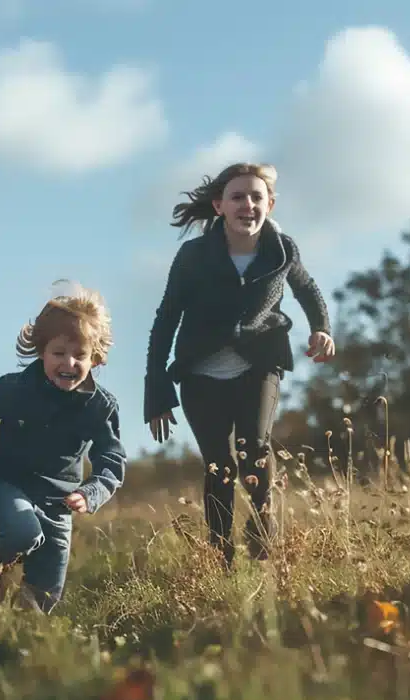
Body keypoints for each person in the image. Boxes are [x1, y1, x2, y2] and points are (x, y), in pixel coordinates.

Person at [143, 162, 336, 568]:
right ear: (219, 206)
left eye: (256, 197)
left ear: (270, 204)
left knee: (255, 451)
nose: (247, 204)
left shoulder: (282, 249)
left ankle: (263, 537)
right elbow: (166, 319)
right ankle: (220, 555)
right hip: (200, 373)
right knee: (219, 465)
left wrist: (321, 328)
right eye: (237, 197)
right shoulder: (194, 256)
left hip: (259, 363)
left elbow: (308, 290)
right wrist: (156, 390)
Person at [0, 282, 126, 614]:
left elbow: (112, 460)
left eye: (80, 356)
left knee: (45, 593)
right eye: (59, 353)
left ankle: (14, 637)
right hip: (9, 483)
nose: (69, 363)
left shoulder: (100, 407)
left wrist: (91, 493)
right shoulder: (15, 388)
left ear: (95, 358)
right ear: (41, 351)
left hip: (60, 502)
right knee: (23, 532)